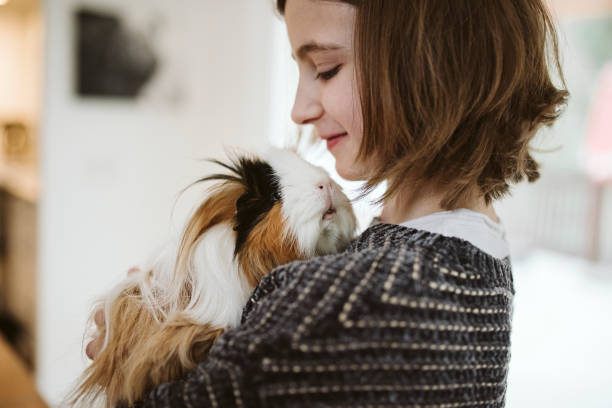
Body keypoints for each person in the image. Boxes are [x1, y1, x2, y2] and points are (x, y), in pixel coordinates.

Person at [87, 0, 568, 406]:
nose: (300, 109)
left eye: (326, 68)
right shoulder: (470, 253)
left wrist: (127, 352)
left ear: (433, 62)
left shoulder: (372, 300)